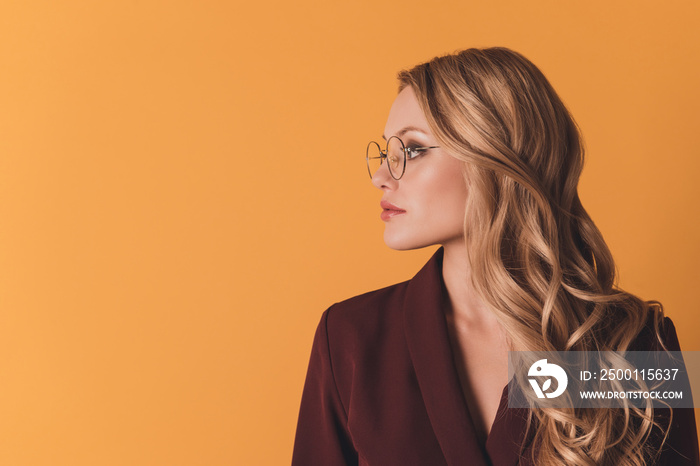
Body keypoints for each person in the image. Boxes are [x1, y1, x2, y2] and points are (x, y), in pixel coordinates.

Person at [291, 47, 700, 465]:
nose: (381, 177)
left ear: (496, 158)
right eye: (386, 153)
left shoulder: (639, 343)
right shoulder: (349, 338)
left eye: (411, 150)